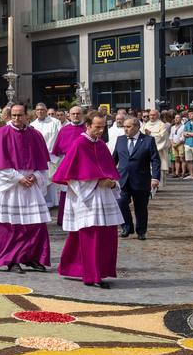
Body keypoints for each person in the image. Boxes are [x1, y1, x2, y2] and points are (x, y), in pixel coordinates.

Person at [55, 112, 125, 289]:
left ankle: (100, 271)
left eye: (103, 127)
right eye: (97, 127)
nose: (100, 131)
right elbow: (72, 177)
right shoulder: (79, 144)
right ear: (88, 125)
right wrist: (97, 181)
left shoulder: (101, 145)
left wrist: (111, 183)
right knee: (90, 238)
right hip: (87, 199)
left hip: (104, 197)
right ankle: (91, 276)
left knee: (107, 236)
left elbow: (109, 170)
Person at [0, 104, 52, 274]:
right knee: (11, 225)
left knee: (35, 224)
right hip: (11, 187)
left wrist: (35, 176)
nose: (16, 118)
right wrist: (18, 178)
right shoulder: (1, 134)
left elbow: (43, 163)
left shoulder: (35, 135)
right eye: (13, 115)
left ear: (26, 116)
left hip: (30, 184)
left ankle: (31, 257)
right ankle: (12, 259)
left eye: (20, 115)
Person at [112, 116, 159, 240]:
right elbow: (114, 159)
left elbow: (155, 160)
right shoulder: (120, 140)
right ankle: (127, 227)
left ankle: (141, 231)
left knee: (141, 207)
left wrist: (155, 178)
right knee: (121, 202)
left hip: (141, 179)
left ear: (137, 127)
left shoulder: (148, 140)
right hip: (123, 179)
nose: (125, 129)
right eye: (124, 127)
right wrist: (109, 175)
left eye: (128, 127)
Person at [30, 103, 61, 207]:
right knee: (41, 179)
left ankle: (52, 203)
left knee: (51, 180)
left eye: (42, 110)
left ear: (46, 110)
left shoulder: (55, 122)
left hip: (51, 155)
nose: (40, 111)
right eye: (38, 110)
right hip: (38, 156)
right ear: (35, 111)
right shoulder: (33, 124)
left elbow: (58, 137)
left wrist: (53, 153)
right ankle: (42, 202)